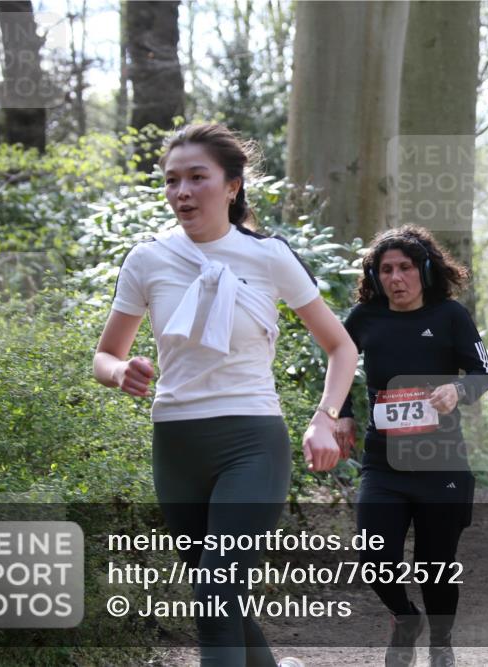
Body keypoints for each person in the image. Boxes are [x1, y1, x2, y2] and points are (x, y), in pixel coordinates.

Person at [93, 123, 358, 667]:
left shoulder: (269, 257)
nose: (182, 192)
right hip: (176, 445)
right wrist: (121, 372)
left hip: (251, 442)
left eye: (197, 178)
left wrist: (325, 417)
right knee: (224, 600)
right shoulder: (146, 260)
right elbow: (104, 356)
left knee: (215, 600)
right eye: (171, 181)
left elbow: (342, 347)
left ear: (233, 185)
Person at [333, 225, 488, 667]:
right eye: (385, 269)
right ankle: (405, 618)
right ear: (375, 275)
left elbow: (484, 374)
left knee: (435, 562)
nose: (395, 278)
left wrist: (457, 392)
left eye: (404, 267)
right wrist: (341, 412)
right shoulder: (364, 318)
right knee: (372, 557)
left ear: (424, 269)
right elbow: (339, 365)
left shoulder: (450, 316)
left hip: (441, 461)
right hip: (383, 462)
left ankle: (441, 643)